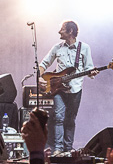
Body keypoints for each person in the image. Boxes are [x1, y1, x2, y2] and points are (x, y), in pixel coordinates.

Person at [39, 21, 96, 155]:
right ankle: (58, 148)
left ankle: (68, 148)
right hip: (59, 89)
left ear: (70, 31)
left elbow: (89, 68)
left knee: (70, 119)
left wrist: (91, 72)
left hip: (75, 89)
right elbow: (44, 63)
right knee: (59, 117)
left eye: (62, 29)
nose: (59, 32)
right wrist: (41, 77)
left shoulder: (84, 48)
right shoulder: (57, 48)